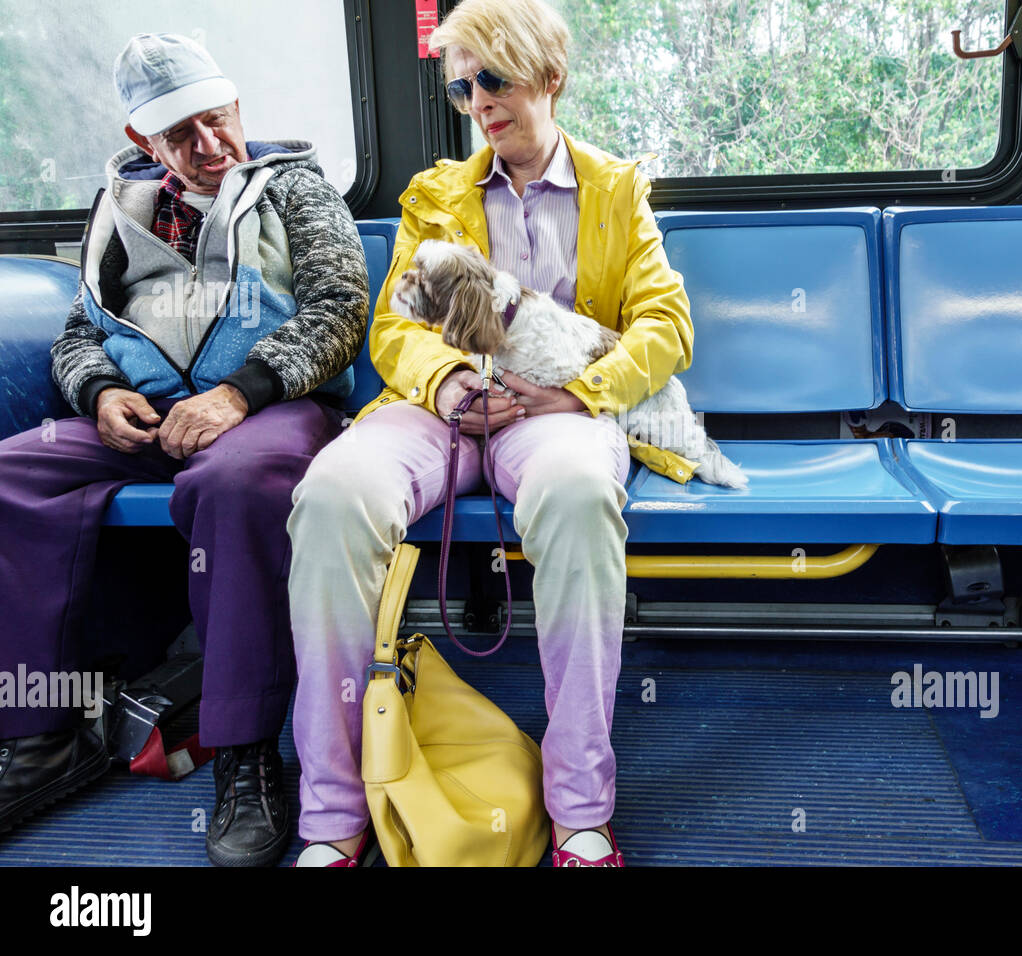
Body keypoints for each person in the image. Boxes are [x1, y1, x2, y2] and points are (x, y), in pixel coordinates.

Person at [287, 0, 696, 867]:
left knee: (583, 494)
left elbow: (666, 325)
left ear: (550, 77)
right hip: (440, 409)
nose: (477, 100)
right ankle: (332, 814)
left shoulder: (617, 192)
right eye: (464, 85)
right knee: (329, 494)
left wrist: (580, 392)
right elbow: (395, 330)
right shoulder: (436, 195)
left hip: (554, 412)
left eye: (494, 79)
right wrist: (444, 385)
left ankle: (581, 810)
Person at [0, 33, 369, 867]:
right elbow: (77, 332)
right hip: (143, 418)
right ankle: (39, 736)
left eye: (219, 121)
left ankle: (244, 751)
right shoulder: (116, 211)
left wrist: (240, 391)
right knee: (11, 476)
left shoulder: (297, 189)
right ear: (144, 143)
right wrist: (99, 392)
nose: (211, 148)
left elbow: (341, 311)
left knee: (240, 486)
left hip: (267, 410)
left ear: (238, 108)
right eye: (182, 136)